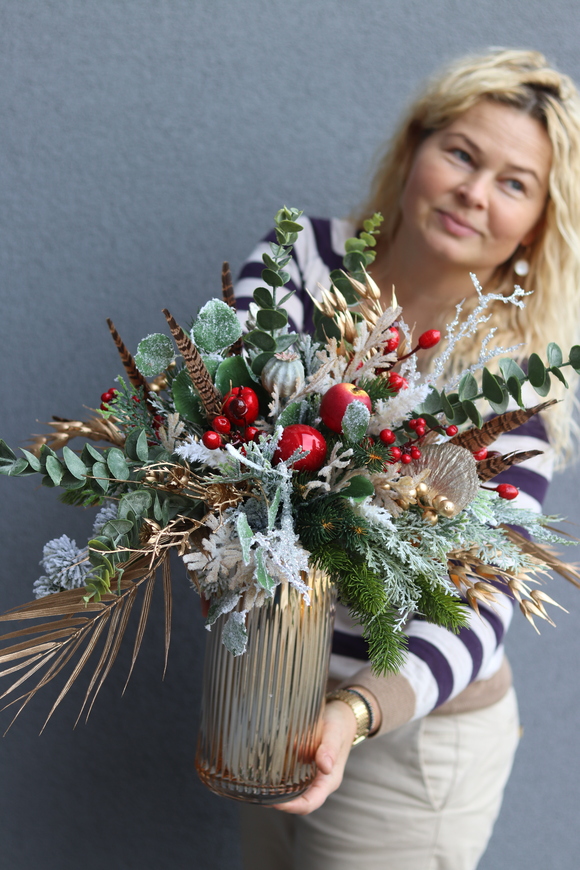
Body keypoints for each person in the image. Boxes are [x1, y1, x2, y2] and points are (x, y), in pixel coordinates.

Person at [233, 49, 580, 870]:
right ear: (415, 148)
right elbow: (228, 444)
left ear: (538, 223)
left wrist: (357, 712)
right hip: (268, 693)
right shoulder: (302, 263)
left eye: (514, 182)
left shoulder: (508, 385)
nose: (473, 191)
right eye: (461, 153)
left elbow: (485, 599)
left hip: (409, 742)